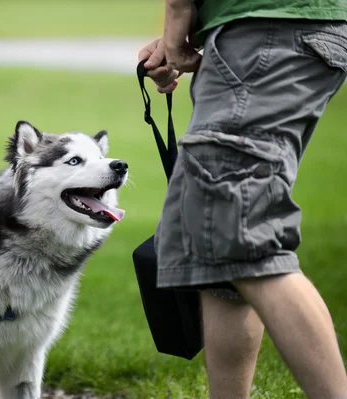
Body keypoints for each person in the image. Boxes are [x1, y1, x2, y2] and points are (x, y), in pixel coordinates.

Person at [138, 1, 347, 398]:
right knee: (216, 245)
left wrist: (177, 21)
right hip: (260, 30)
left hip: (268, 29)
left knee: (241, 231)